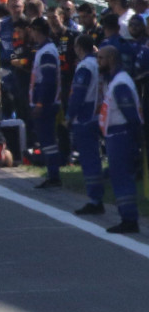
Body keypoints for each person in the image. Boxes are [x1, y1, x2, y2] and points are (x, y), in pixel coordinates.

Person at [97, 45, 142, 233]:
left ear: (111, 59)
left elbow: (130, 114)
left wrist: (137, 141)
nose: (98, 62)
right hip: (115, 135)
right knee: (118, 177)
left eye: (101, 58)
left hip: (121, 135)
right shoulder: (114, 81)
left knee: (122, 177)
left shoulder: (120, 83)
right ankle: (127, 216)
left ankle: (129, 219)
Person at [69, 32, 106, 215]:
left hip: (84, 116)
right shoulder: (99, 63)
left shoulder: (85, 66)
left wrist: (70, 115)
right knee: (95, 158)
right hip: (99, 114)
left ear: (79, 48)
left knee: (89, 159)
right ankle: (96, 197)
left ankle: (94, 199)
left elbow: (78, 94)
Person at [29, 19, 63, 189]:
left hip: (46, 104)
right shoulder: (43, 50)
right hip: (45, 103)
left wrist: (41, 104)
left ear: (37, 30)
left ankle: (54, 175)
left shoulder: (47, 52)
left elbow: (48, 81)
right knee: (46, 140)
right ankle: (52, 174)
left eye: (33, 30)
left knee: (48, 140)